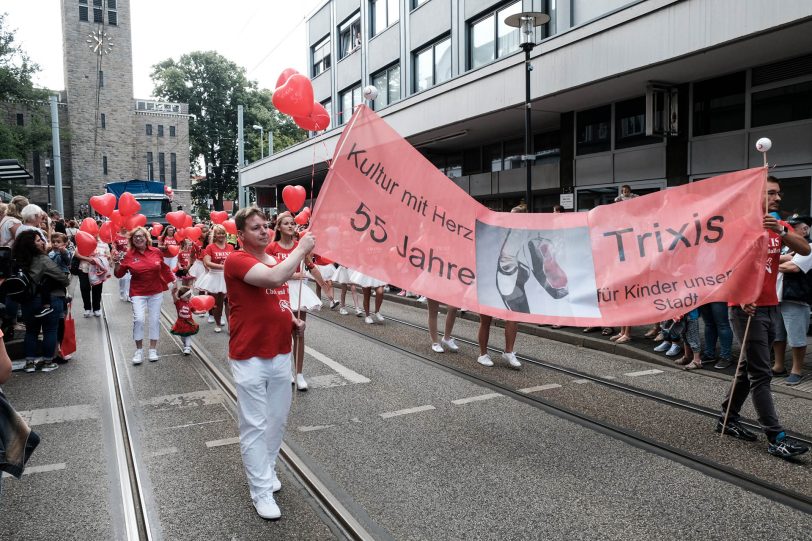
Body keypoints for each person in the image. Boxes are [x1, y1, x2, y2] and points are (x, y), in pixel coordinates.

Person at [224, 206, 313, 520]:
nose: (264, 231)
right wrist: (301, 249)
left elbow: (277, 297)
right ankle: (260, 491)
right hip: (249, 357)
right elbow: (273, 279)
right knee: (255, 426)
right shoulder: (237, 260)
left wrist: (291, 320)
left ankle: (267, 470)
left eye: (266, 226)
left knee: (276, 422)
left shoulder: (276, 259)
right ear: (241, 235)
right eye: (255, 227)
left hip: (280, 353)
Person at [717, 177, 810, 459]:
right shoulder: (739, 227)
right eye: (771, 193)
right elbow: (723, 267)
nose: (778, 198)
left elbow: (805, 249)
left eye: (778, 193)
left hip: (771, 306)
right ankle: (775, 436)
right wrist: (740, 296)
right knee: (761, 373)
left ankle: (727, 418)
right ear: (754, 197)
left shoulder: (777, 225)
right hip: (747, 309)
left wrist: (780, 232)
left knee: (748, 368)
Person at [266, 212, 322, 390]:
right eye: (286, 223)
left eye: (292, 223)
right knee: (280, 334)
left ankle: (299, 374)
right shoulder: (272, 247)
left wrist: (324, 284)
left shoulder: (300, 246)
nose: (291, 226)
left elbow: (310, 266)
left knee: (299, 332)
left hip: (297, 292)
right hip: (278, 291)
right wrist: (293, 274)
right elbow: (267, 270)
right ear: (279, 227)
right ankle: (286, 371)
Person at [113, 226, 173, 364]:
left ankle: (152, 349)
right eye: (135, 237)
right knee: (139, 319)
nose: (139, 238)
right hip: (138, 292)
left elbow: (164, 268)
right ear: (132, 240)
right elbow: (118, 274)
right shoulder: (128, 255)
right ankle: (139, 351)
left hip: (155, 291)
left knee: (154, 320)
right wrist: (116, 263)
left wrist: (173, 283)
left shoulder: (156, 251)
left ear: (147, 238)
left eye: (141, 236)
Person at [13, 230, 69, 373]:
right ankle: (47, 362)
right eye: (38, 240)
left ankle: (30, 363)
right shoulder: (42, 259)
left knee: (31, 331)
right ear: (31, 244)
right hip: (50, 298)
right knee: (50, 330)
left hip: (27, 300)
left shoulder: (18, 259)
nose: (43, 242)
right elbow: (64, 279)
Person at [772, 214, 812, 385]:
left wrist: (772, 264)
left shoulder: (808, 246)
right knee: (777, 335)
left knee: (796, 336)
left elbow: (793, 268)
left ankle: (797, 370)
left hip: (795, 298)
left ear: (805, 229)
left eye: (793, 227)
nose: (788, 229)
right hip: (777, 297)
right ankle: (778, 366)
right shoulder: (784, 247)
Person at [195, 224, 233, 332]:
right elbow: (207, 262)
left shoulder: (230, 247)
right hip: (215, 276)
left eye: (222, 233)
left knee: (228, 302)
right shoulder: (210, 247)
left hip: (227, 276)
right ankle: (218, 323)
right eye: (218, 233)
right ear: (215, 235)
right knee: (218, 303)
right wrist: (222, 266)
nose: (221, 235)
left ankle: (230, 326)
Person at [74, 230, 111, 317]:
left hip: (98, 270)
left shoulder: (103, 243)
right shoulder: (83, 241)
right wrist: (89, 259)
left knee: (97, 288)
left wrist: (106, 258)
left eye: (94, 232)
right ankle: (87, 308)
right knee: (84, 288)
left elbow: (108, 255)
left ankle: (96, 308)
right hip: (84, 268)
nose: (92, 234)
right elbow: (76, 254)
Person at [170, 285, 198, 355]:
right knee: (183, 336)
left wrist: (201, 311)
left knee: (188, 335)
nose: (189, 298)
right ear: (182, 297)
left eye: (189, 296)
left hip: (189, 322)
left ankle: (188, 347)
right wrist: (173, 293)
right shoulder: (178, 302)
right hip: (181, 323)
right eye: (187, 296)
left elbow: (195, 311)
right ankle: (186, 345)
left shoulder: (190, 303)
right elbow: (174, 297)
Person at [113, 224, 131, 301]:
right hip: (120, 258)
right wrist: (116, 252)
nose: (125, 229)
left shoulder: (130, 236)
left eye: (126, 227)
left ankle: (128, 295)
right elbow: (114, 247)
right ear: (120, 228)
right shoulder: (116, 236)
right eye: (123, 227)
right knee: (122, 278)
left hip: (129, 258)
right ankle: (122, 292)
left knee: (129, 277)